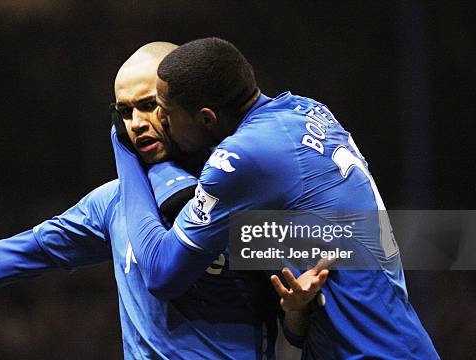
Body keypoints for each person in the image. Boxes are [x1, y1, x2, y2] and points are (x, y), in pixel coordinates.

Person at [0, 42, 327, 359]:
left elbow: (297, 319)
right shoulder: (115, 203)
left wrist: (298, 313)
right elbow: (27, 250)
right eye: (124, 112)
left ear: (183, 100)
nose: (136, 124)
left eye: (149, 105)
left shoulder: (245, 193)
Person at [111, 37, 440, 359]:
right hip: (388, 342)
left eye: (164, 112)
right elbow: (310, 294)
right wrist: (296, 314)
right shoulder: (307, 111)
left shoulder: (241, 158)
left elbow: (161, 272)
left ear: (206, 117)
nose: (158, 123)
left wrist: (123, 147)